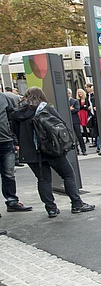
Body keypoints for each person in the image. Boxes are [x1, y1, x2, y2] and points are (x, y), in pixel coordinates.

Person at [10, 87, 95, 218]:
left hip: (31, 153)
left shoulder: (17, 113)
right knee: (68, 175)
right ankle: (76, 203)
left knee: (43, 180)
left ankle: (51, 209)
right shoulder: (46, 109)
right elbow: (60, 126)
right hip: (52, 150)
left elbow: (14, 133)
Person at [0, 92, 32, 215]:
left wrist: (15, 140)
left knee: (9, 174)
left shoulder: (4, 98)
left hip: (6, 141)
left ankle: (12, 201)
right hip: (6, 141)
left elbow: (12, 119)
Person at [4, 87, 23, 166]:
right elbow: (11, 119)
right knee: (8, 174)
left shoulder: (4, 97)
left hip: (5, 137)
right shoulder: (7, 98)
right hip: (6, 137)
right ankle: (17, 160)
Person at [67, 88, 86, 155]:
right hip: (68, 120)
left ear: (70, 94)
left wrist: (71, 110)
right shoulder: (63, 101)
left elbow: (77, 109)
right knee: (72, 136)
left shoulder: (75, 101)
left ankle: (83, 149)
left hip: (75, 120)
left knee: (79, 135)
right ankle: (76, 150)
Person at [85, 83, 100, 155]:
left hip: (96, 116)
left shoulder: (94, 98)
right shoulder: (91, 97)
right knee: (96, 131)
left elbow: (94, 107)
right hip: (94, 116)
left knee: (97, 132)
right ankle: (98, 145)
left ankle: (98, 146)